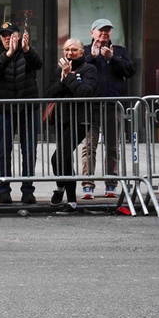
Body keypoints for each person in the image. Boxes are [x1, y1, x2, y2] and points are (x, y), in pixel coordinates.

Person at [79, 18, 136, 199]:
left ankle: (111, 183)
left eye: (107, 31)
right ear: (92, 33)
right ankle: (88, 184)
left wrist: (113, 59)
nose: (104, 34)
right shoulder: (85, 51)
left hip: (113, 106)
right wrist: (92, 58)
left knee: (112, 146)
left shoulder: (119, 51)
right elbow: (76, 71)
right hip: (90, 106)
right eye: (100, 30)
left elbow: (131, 70)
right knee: (89, 146)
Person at [0, 22, 42, 205]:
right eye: (3, 36)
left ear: (18, 36)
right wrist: (8, 54)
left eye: (10, 35)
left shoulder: (27, 51)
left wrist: (26, 50)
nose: (7, 39)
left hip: (28, 108)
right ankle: (4, 190)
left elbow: (38, 64)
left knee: (29, 150)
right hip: (6, 109)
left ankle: (28, 190)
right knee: (4, 150)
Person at [46, 39, 98, 213]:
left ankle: (62, 190)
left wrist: (68, 76)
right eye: (67, 49)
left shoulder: (89, 69)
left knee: (58, 157)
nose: (70, 53)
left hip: (81, 120)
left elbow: (84, 92)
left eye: (74, 50)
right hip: (61, 119)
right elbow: (49, 93)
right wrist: (63, 78)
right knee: (65, 158)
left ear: (82, 52)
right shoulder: (59, 70)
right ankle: (71, 201)